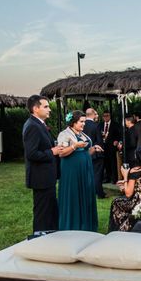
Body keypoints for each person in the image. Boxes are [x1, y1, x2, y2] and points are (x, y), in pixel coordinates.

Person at [22, 95, 63, 234]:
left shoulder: (39, 124)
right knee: (42, 212)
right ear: (35, 108)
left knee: (49, 210)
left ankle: (50, 236)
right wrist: (52, 152)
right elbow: (31, 154)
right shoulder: (33, 126)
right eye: (46, 106)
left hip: (47, 177)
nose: (49, 109)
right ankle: (39, 239)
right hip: (41, 178)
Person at [57, 110, 100, 232]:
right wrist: (74, 146)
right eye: (81, 122)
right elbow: (61, 153)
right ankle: (72, 226)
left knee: (85, 194)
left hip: (85, 169)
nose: (83, 124)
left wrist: (93, 149)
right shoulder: (64, 134)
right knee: (74, 195)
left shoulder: (82, 134)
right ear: (73, 122)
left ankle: (86, 225)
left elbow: (85, 152)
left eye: (84, 121)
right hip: (72, 170)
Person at [109, 146, 141, 232]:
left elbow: (128, 194)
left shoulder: (134, 171)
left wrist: (125, 176)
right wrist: (125, 185)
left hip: (138, 204)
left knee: (116, 202)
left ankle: (121, 227)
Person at [83, 108, 106, 199]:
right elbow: (99, 141)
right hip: (96, 154)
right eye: (96, 114)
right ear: (92, 114)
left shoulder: (81, 125)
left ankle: (89, 192)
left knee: (87, 174)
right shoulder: (96, 126)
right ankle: (99, 193)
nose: (97, 116)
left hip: (84, 153)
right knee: (97, 174)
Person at [99, 111, 121, 184]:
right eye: (104, 116)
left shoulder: (115, 124)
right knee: (106, 163)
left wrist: (117, 141)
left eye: (107, 115)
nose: (106, 117)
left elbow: (119, 134)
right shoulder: (100, 125)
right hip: (104, 146)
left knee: (113, 163)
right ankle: (107, 178)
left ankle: (114, 179)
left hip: (112, 147)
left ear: (110, 116)